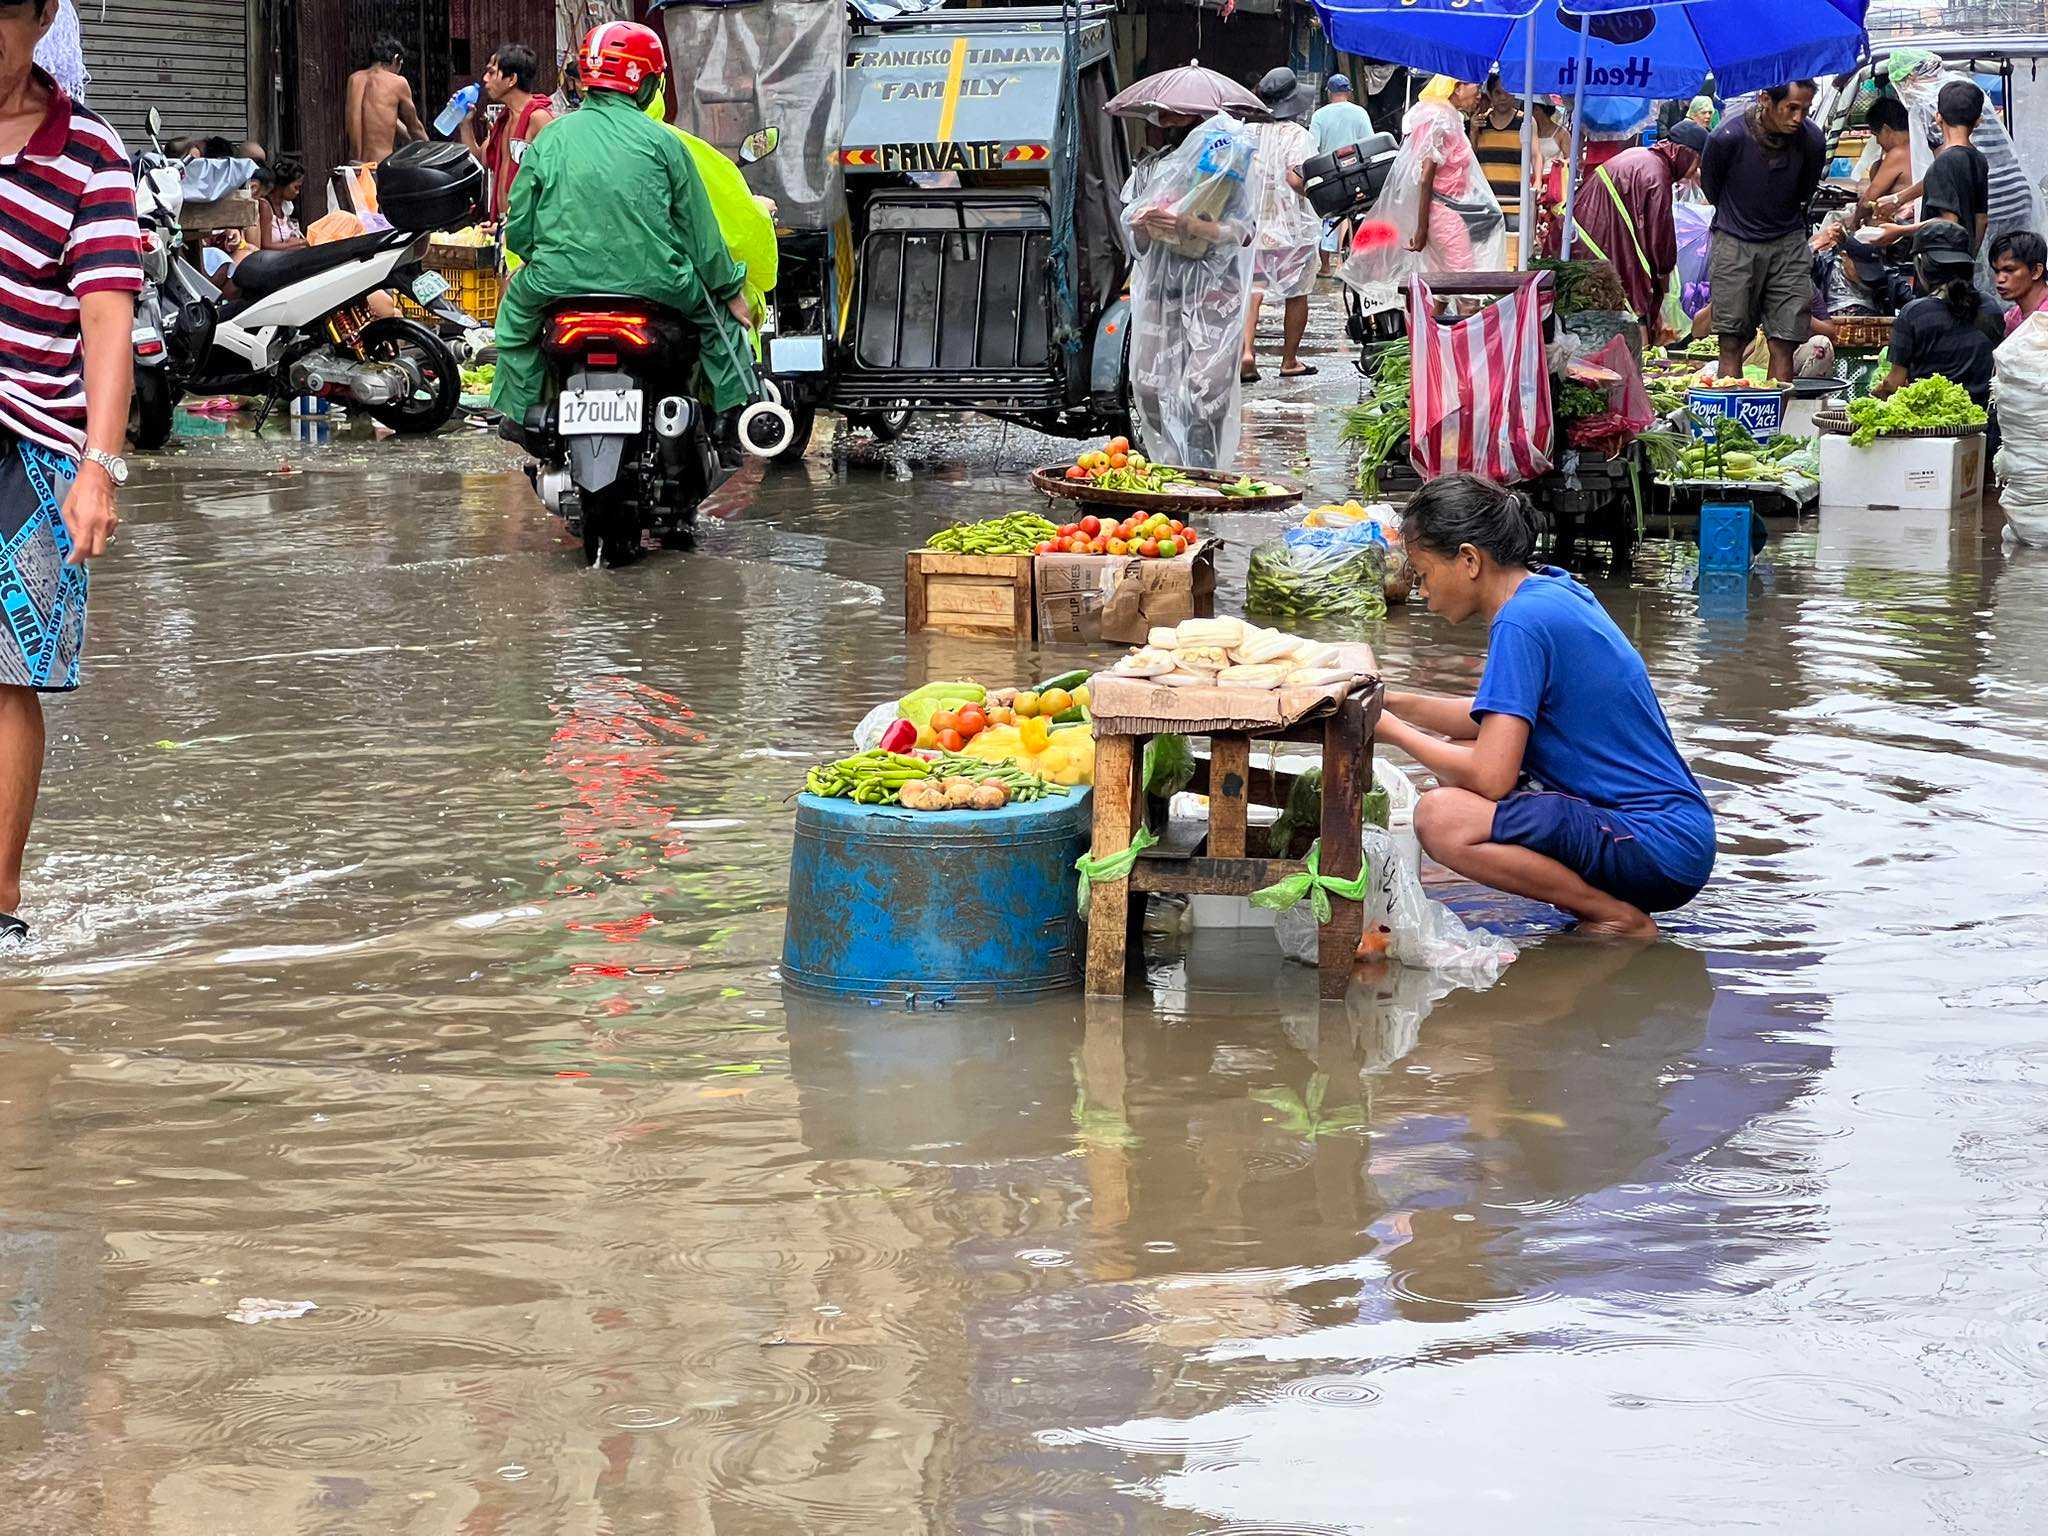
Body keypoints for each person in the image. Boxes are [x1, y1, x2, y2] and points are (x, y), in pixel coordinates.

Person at [1375, 475, 1715, 942]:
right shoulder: (1552, 592)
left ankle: (1615, 916)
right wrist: (1392, 701)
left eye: (1424, 574)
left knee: (1441, 818)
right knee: (1457, 754)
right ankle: (1602, 902)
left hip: (1654, 844)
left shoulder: (1521, 623)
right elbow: (1490, 718)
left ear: (1470, 560)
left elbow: (1492, 775)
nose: (1419, 591)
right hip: (1673, 837)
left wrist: (1391, 730)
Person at [0, 0, 140, 942]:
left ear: (42, 16)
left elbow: (106, 325)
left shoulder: (88, 153)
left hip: (33, 447)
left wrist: (100, 466)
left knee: (5, 680)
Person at [490, 22, 753, 448]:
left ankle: (520, 417)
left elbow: (520, 226)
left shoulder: (551, 136)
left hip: (556, 282)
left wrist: (537, 260)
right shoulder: (663, 143)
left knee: (515, 322)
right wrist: (728, 289)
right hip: (659, 284)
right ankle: (732, 418)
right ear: (645, 80)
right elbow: (700, 234)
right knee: (719, 323)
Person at [1119, 110, 1257, 468]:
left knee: (1206, 387)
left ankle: (1202, 465)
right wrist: (1144, 227)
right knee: (1149, 387)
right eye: (1162, 116)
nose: (1167, 122)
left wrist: (1189, 225)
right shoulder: (1149, 171)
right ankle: (1168, 460)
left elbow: (1243, 233)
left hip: (1214, 295)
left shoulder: (1227, 168)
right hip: (1161, 294)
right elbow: (1137, 244)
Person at [1700, 80, 1824, 383]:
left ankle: (1776, 425)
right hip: (1735, 239)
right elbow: (1712, 188)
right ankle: (1730, 422)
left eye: (1804, 110)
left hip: (1788, 240)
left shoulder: (1812, 140)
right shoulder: (1727, 137)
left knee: (1784, 340)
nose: (1798, 118)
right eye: (1791, 108)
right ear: (1765, 99)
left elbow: (1805, 190)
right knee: (1731, 340)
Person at [1346, 76, 1503, 286]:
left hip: (1446, 211)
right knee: (1465, 285)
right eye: (1476, 86)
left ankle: (1432, 320)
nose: (1479, 94)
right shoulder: (1440, 119)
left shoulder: (1445, 116)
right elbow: (1425, 175)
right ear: (1457, 88)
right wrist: (1421, 229)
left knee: (1440, 286)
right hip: (1445, 214)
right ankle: (1466, 318)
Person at [1566, 120, 1705, 336]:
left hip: (1584, 233)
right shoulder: (1657, 176)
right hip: (1600, 235)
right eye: (1697, 163)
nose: (1694, 172)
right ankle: (1640, 361)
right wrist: (1662, 281)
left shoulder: (1643, 156)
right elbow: (1660, 239)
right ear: (1686, 154)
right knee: (1637, 296)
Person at [1240, 68, 1320, 382]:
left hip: (1252, 226)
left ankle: (1247, 352)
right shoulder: (1297, 136)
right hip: (1291, 229)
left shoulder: (1246, 133)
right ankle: (1289, 360)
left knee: (1252, 288)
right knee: (1297, 292)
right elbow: (1295, 176)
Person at [1874, 222, 2002, 410]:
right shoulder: (1990, 306)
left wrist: (1878, 394)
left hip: (1930, 428)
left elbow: (1894, 384)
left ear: (1920, 264)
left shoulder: (1914, 314)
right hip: (1982, 422)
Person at [1872, 80, 1990, 255]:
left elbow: (1948, 223)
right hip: (1962, 259)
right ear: (1978, 121)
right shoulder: (1977, 159)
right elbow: (1982, 219)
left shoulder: (1945, 162)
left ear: (1938, 117)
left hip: (1940, 262)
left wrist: (1898, 231)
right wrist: (1970, 256)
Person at [458, 43, 555, 224]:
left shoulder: (539, 119)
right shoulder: (504, 121)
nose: (485, 79)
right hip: (503, 226)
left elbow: (556, 183)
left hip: (527, 229)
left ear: (511, 79)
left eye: (492, 72)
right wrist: (465, 124)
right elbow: (481, 159)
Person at [1310, 73, 1374, 277]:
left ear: (1329, 92)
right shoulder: (1360, 113)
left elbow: (1313, 146)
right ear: (1348, 92)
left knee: (1326, 215)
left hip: (1328, 173)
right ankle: (1342, 264)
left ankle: (1325, 266)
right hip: (1356, 172)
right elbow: (1369, 142)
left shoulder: (1319, 115)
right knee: (1350, 212)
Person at [346, 34, 426, 166]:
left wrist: (408, 137)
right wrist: (431, 149)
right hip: (380, 167)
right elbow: (415, 127)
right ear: (396, 59)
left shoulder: (354, 79)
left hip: (354, 167)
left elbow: (375, 116)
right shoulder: (398, 82)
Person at [1855, 97, 1913, 226]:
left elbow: (1867, 201)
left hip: (1903, 227)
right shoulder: (1924, 147)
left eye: (1876, 135)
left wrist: (1853, 225)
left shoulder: (1898, 154)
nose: (1877, 142)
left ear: (1886, 129)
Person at [1992, 229, 2048, 335]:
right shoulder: (2012, 318)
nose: (2000, 279)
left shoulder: (2044, 319)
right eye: (1996, 271)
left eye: (2009, 270)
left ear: (2036, 271)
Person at [253, 156, 305, 251]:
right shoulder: (265, 206)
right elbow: (266, 245)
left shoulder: (286, 206)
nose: (297, 192)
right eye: (295, 187)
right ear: (283, 185)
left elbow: (285, 239)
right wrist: (301, 243)